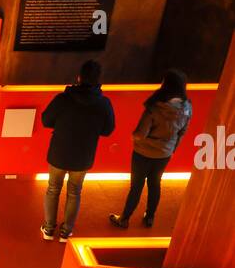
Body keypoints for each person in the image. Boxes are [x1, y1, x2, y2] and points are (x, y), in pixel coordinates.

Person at [40, 59, 116, 241]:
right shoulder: (104, 103)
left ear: (79, 77)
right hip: (83, 157)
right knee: (75, 192)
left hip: (59, 153)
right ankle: (66, 232)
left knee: (53, 189)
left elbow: (45, 120)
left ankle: (49, 229)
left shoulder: (63, 99)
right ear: (98, 80)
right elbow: (108, 130)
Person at [109, 69, 191, 229]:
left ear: (165, 85)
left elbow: (140, 134)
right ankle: (149, 217)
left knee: (136, 186)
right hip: (164, 153)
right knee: (155, 184)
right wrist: (172, 149)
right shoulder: (187, 107)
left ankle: (124, 219)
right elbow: (182, 132)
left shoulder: (154, 108)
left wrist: (133, 137)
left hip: (143, 153)